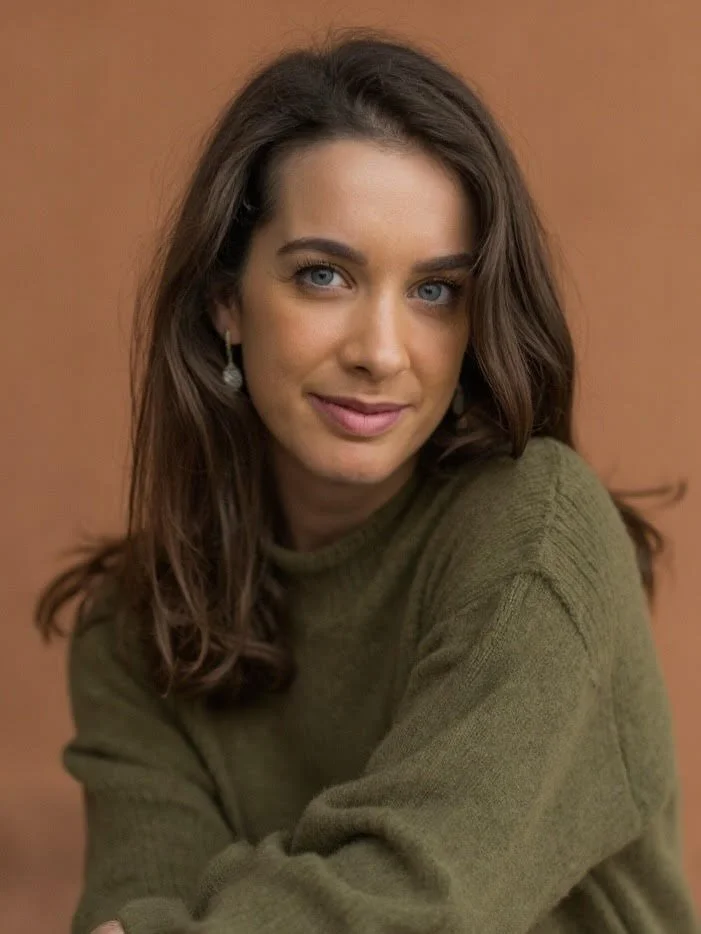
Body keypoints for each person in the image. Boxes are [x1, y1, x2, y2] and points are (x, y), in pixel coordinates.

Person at [35, 26, 699, 934]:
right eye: (324, 276)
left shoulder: (535, 536)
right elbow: (140, 909)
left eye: (434, 292)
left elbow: (419, 899)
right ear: (226, 301)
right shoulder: (138, 625)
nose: (381, 353)